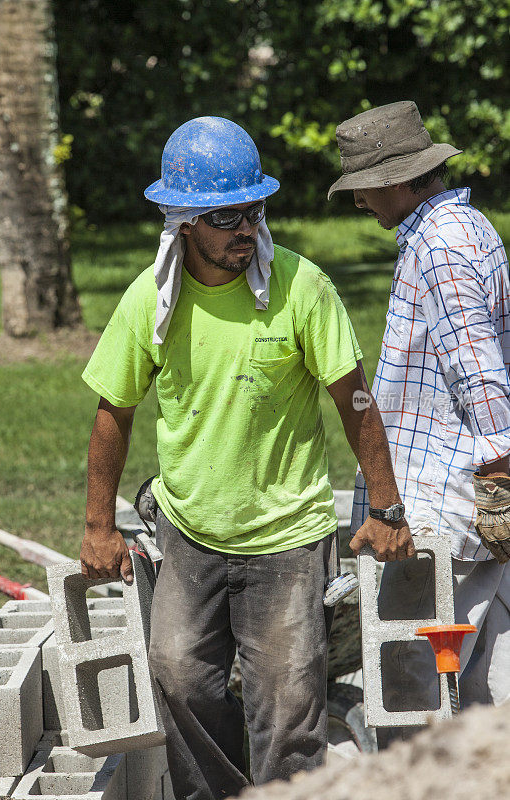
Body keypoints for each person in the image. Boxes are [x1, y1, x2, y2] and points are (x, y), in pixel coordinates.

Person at [79, 115, 414, 799]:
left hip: (286, 538)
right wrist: (97, 526)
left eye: (255, 211)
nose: (245, 230)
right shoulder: (150, 300)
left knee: (288, 707)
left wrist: (385, 507)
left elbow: (355, 401)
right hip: (192, 532)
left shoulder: (301, 286)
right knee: (177, 679)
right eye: (226, 216)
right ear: (184, 222)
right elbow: (114, 409)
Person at [329, 100, 510, 742]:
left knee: (432, 691)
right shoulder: (466, 226)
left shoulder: (439, 247)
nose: (360, 205)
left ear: (399, 180)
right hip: (463, 493)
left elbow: (480, 376)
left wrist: (499, 497)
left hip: (447, 501)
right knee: (477, 668)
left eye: (366, 189)